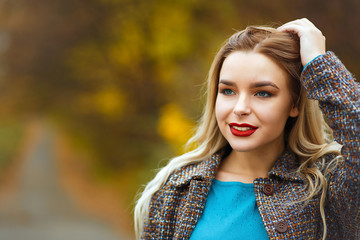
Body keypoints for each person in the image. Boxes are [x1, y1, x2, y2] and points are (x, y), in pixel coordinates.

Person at [134, 18, 359, 239]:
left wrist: (319, 64)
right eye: (228, 91)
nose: (240, 108)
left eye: (262, 93)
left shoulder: (325, 189)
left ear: (295, 104)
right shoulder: (177, 188)